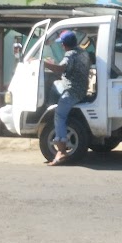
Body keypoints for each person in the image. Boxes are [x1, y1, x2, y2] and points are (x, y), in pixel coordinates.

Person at [43, 30, 91, 166]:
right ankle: (53, 104)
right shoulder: (83, 52)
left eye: (62, 44)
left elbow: (59, 69)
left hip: (72, 91)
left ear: (64, 45)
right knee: (55, 85)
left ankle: (62, 151)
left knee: (59, 114)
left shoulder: (70, 55)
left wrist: (44, 64)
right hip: (82, 89)